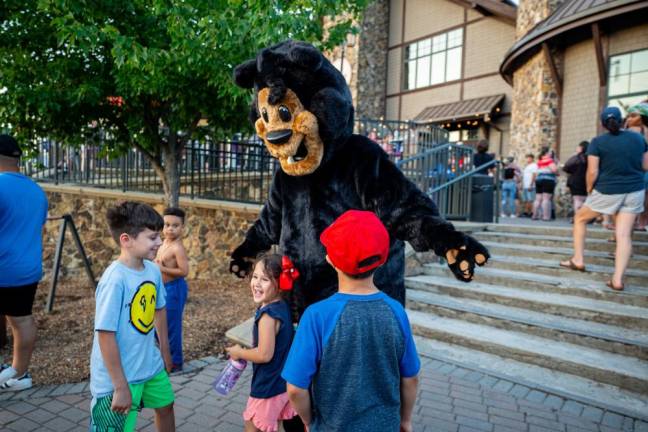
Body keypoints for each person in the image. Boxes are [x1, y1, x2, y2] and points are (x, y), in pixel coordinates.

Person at [282, 210, 420, 432]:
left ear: (330, 259)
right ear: (382, 259)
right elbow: (410, 378)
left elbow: (296, 389)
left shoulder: (317, 316)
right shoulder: (396, 311)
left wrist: (309, 422)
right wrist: (405, 420)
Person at [90, 201, 175, 432]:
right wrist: (120, 386)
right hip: (118, 378)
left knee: (166, 406)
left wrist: (165, 352)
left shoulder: (153, 270)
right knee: (117, 427)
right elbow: (105, 335)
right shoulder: (114, 280)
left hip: (150, 365)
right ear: (126, 240)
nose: (160, 242)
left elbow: (159, 309)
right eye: (152, 237)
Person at [560, 107, 648, 291]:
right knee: (623, 234)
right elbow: (645, 166)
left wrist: (590, 189)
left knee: (580, 218)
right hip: (635, 190)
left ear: (602, 124)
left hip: (608, 190)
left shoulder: (597, 142)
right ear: (622, 119)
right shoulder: (639, 139)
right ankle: (617, 279)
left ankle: (578, 259)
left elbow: (592, 171)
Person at [225, 253, 297, 432]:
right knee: (272, 425)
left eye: (264, 279)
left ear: (279, 285)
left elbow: (264, 355)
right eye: (255, 277)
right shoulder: (280, 306)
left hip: (268, 386)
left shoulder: (268, 316)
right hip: (281, 382)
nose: (256, 283)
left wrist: (238, 352)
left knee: (252, 425)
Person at [0, 135, 48, 392]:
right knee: (22, 320)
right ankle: (20, 374)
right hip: (27, 270)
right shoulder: (36, 191)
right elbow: (39, 229)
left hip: (2, 267)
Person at [155, 207, 190, 372]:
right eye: (167, 224)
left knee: (172, 326)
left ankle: (176, 362)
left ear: (182, 228)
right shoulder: (163, 244)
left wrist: (162, 269)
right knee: (159, 324)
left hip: (174, 289)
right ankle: (164, 356)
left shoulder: (178, 248)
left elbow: (184, 271)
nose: (170, 228)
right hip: (162, 288)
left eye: (175, 225)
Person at [625, 103, 648, 231]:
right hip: (634, 170)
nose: (628, 119)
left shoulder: (632, 132)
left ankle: (640, 223)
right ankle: (637, 224)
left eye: (633, 116)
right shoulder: (627, 132)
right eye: (628, 116)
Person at [563, 141, 589, 220]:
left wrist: (572, 171)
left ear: (581, 148)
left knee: (577, 199)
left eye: (578, 147)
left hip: (575, 181)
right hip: (586, 180)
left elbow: (566, 167)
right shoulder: (590, 157)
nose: (576, 148)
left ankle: (578, 218)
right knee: (585, 199)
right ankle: (584, 217)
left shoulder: (576, 157)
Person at [532, 147, 558, 221]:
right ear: (546, 153)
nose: (551, 153)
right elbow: (554, 170)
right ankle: (546, 217)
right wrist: (557, 173)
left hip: (539, 180)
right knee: (546, 199)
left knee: (538, 199)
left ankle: (534, 215)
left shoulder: (540, 161)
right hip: (548, 179)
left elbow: (537, 171)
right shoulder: (550, 160)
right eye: (550, 152)